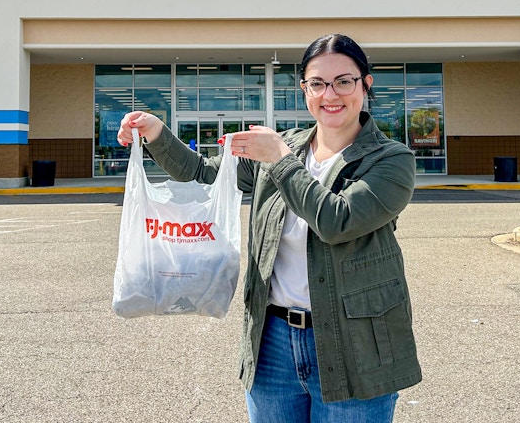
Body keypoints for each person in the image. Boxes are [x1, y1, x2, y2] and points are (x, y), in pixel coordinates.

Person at [117, 33, 421, 423]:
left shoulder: (391, 160)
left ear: (366, 84)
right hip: (273, 340)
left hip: (356, 343)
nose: (331, 94)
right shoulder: (286, 147)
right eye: (317, 83)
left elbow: (335, 220)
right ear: (304, 89)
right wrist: (157, 133)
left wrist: (278, 158)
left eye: (344, 81)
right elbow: (205, 174)